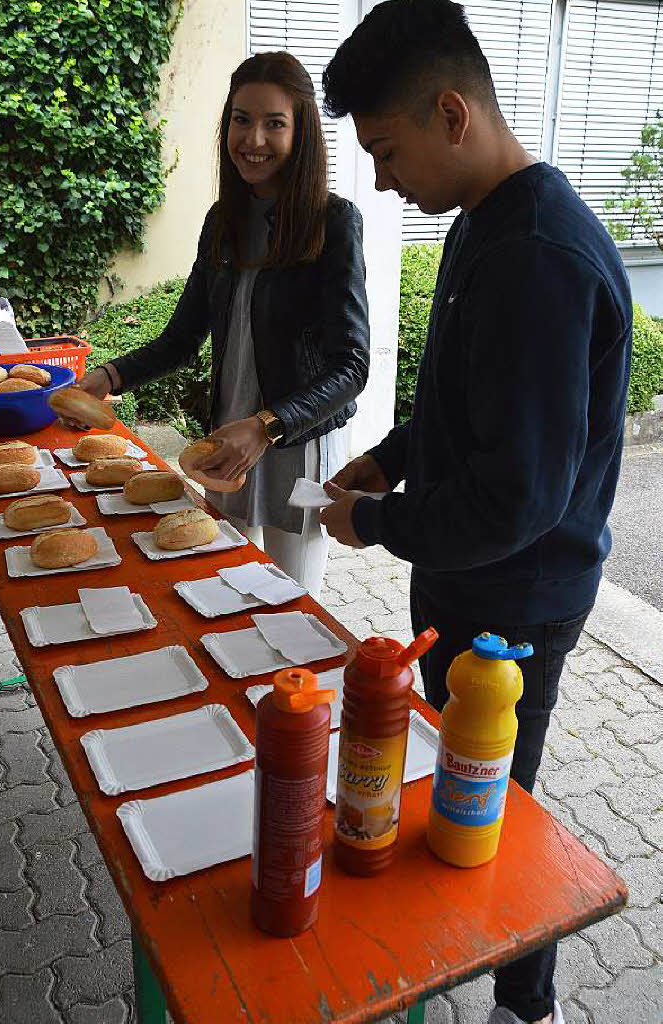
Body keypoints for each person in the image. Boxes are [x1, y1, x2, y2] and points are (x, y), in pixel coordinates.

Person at [318, 2, 632, 1023]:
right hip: (469, 570)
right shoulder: (481, 222)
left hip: (519, 593)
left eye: (384, 149)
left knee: (489, 801)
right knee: (460, 785)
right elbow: (460, 403)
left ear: (451, 113)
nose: (377, 178)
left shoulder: (535, 256)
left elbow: (514, 499)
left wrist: (375, 525)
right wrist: (385, 458)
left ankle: (523, 1001)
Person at [77, 51, 369, 598]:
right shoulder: (222, 222)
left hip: (295, 444)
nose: (253, 138)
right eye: (241, 119)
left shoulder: (334, 222)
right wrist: (110, 377)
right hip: (227, 439)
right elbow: (183, 338)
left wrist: (269, 424)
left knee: (289, 604)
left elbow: (351, 366)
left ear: (301, 131)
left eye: (273, 123)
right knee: (225, 591)